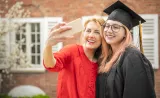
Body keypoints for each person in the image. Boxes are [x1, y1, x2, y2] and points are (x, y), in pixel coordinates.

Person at [96, 1, 156, 98]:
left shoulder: (132, 57)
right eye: (107, 26)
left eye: (115, 27)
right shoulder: (107, 58)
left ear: (125, 33)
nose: (109, 30)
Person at [43, 17, 105, 98]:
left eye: (97, 32)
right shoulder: (72, 51)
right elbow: (50, 64)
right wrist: (48, 46)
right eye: (88, 31)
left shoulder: (102, 62)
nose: (91, 35)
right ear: (83, 33)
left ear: (103, 37)